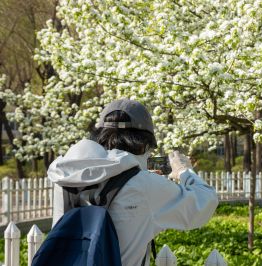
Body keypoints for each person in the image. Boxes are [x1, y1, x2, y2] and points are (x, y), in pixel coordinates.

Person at [47, 99, 219, 266]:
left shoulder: (64, 176)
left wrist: (140, 178)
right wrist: (184, 171)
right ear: (143, 144)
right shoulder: (144, 186)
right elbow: (205, 203)